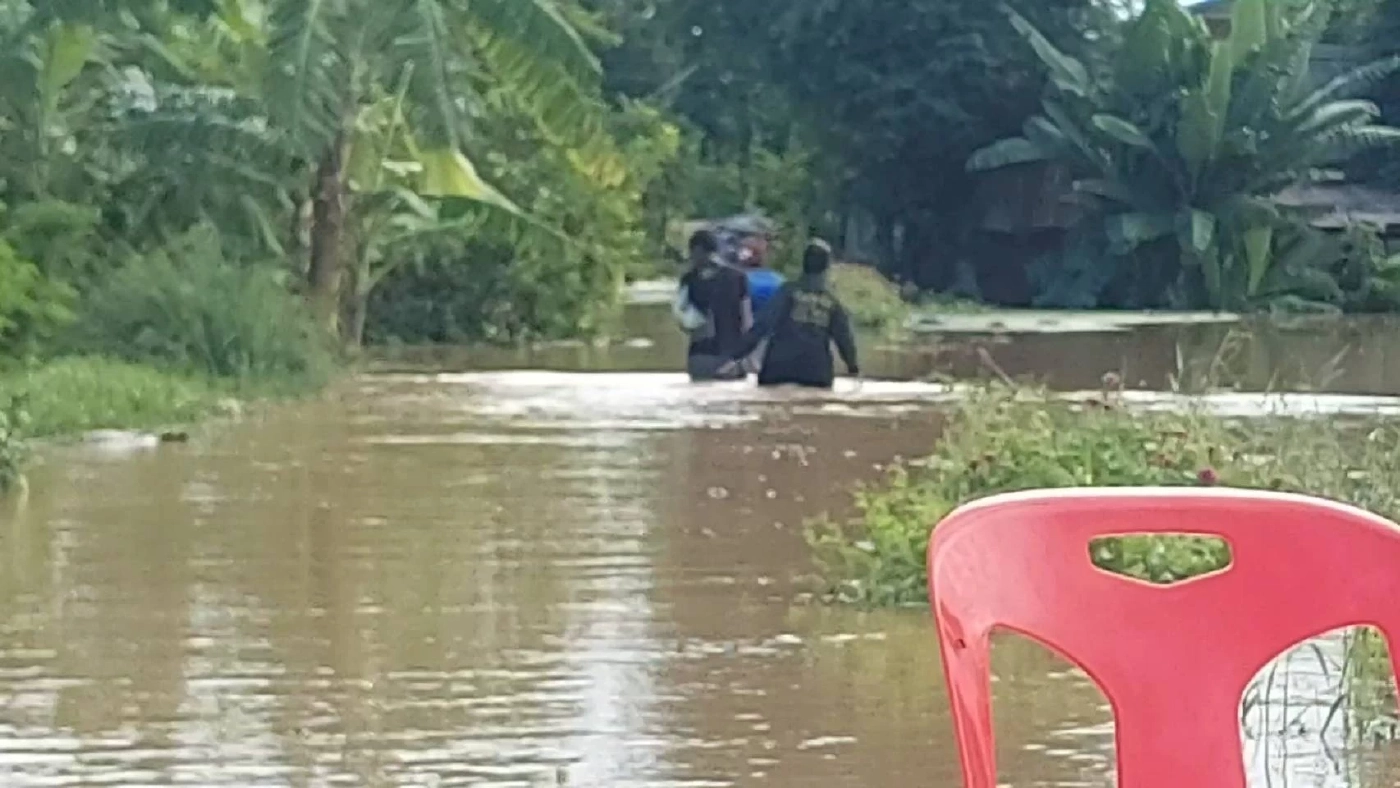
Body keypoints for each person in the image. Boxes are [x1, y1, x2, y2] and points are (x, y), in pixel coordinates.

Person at [730, 239, 859, 389]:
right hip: (816, 373)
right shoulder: (832, 302)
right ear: (826, 267)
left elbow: (763, 325)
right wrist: (853, 367)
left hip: (779, 368)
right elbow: (844, 338)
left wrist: (736, 355)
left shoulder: (787, 292)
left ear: (803, 264)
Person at [679, 229, 752, 381]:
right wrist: (747, 357)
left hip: (699, 357)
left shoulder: (689, 280)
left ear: (697, 250)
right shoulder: (738, 277)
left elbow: (682, 319)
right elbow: (747, 320)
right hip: (731, 357)